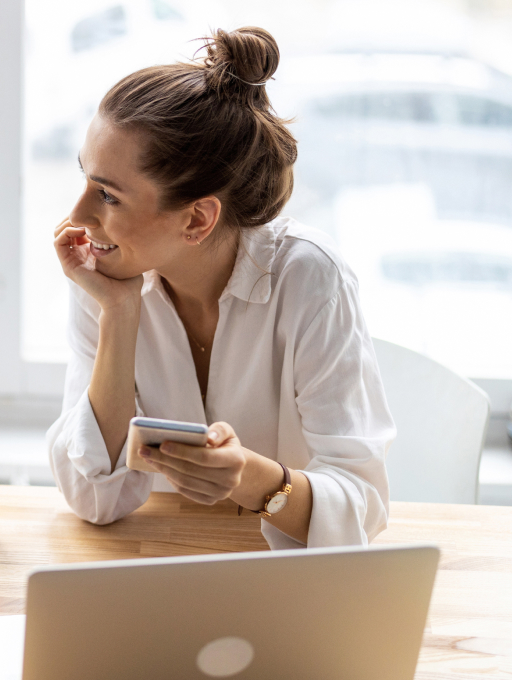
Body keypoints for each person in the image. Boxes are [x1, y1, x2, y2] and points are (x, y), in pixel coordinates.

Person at [46, 26, 393, 549]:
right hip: (166, 557)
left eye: (108, 196)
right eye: (84, 180)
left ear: (196, 219)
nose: (77, 217)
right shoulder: (105, 279)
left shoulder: (310, 280)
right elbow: (94, 499)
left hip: (287, 580)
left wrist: (251, 479)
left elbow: (362, 508)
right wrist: (119, 315)